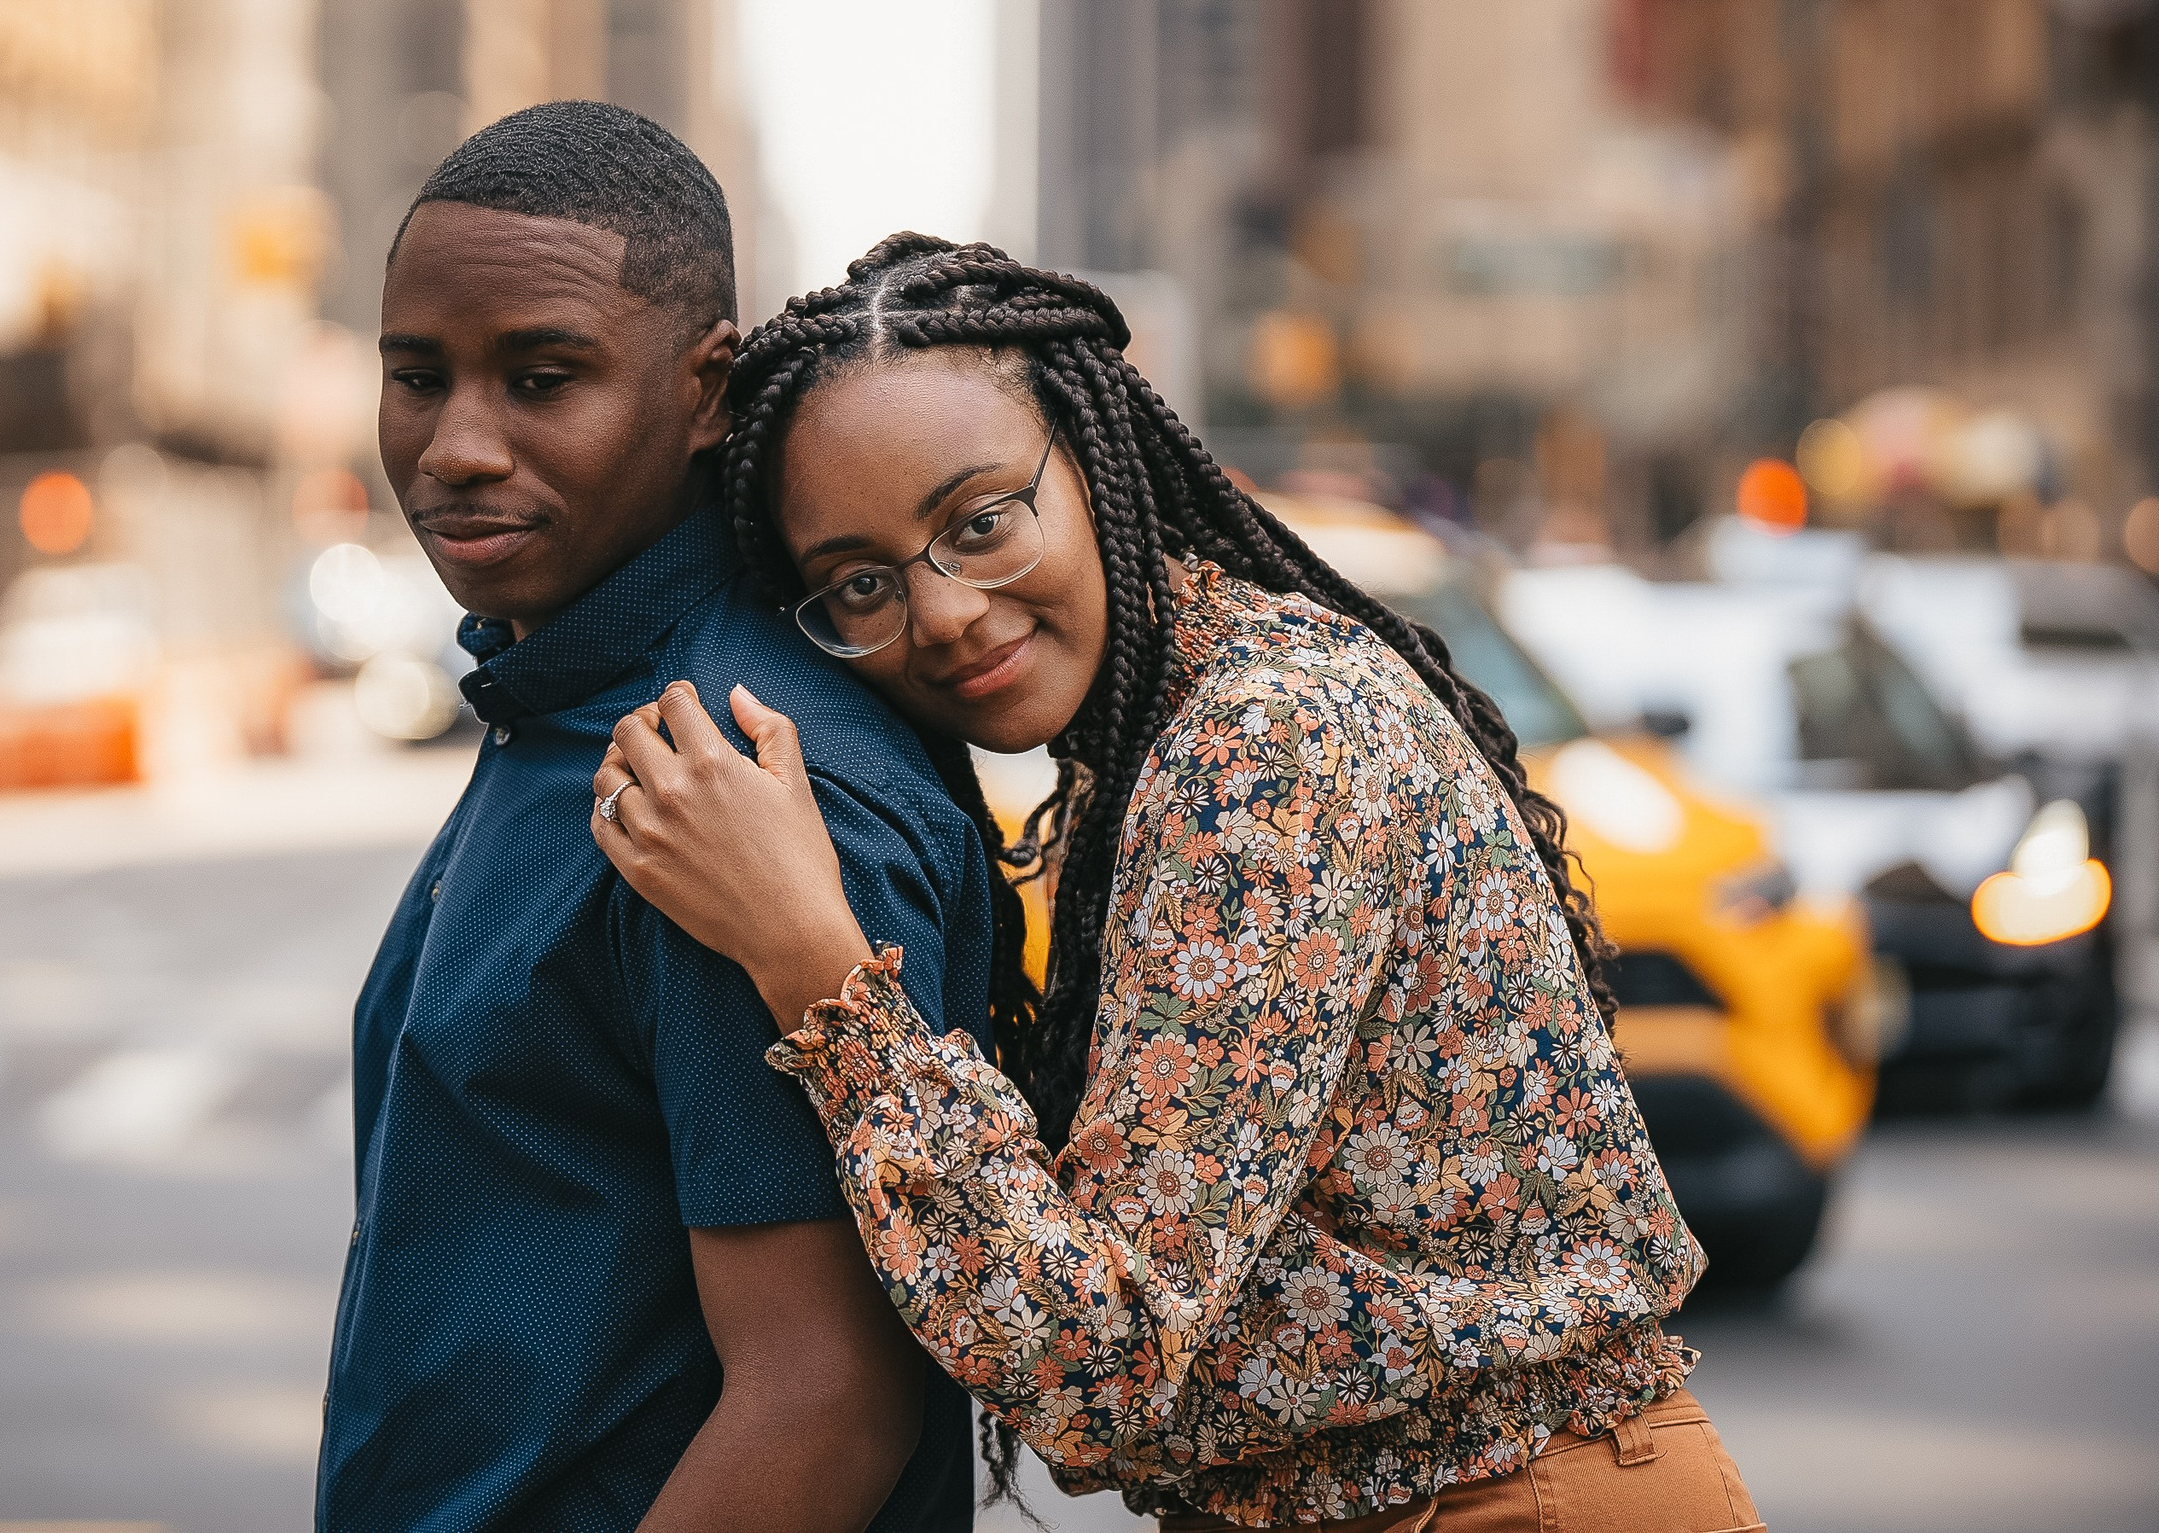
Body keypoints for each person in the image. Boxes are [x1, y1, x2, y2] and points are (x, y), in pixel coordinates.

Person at [590, 235, 1764, 1532]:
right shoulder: (1167, 729)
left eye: (979, 522)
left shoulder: (1260, 752)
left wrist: (808, 951)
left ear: (1096, 462)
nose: (944, 613)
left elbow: (1101, 1355)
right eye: (861, 582)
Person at [318, 117, 1013, 1533]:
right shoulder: (560, 685)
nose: (455, 445)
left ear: (707, 389)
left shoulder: (727, 772)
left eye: (541, 378)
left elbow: (826, 1404)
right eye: (416, 375)